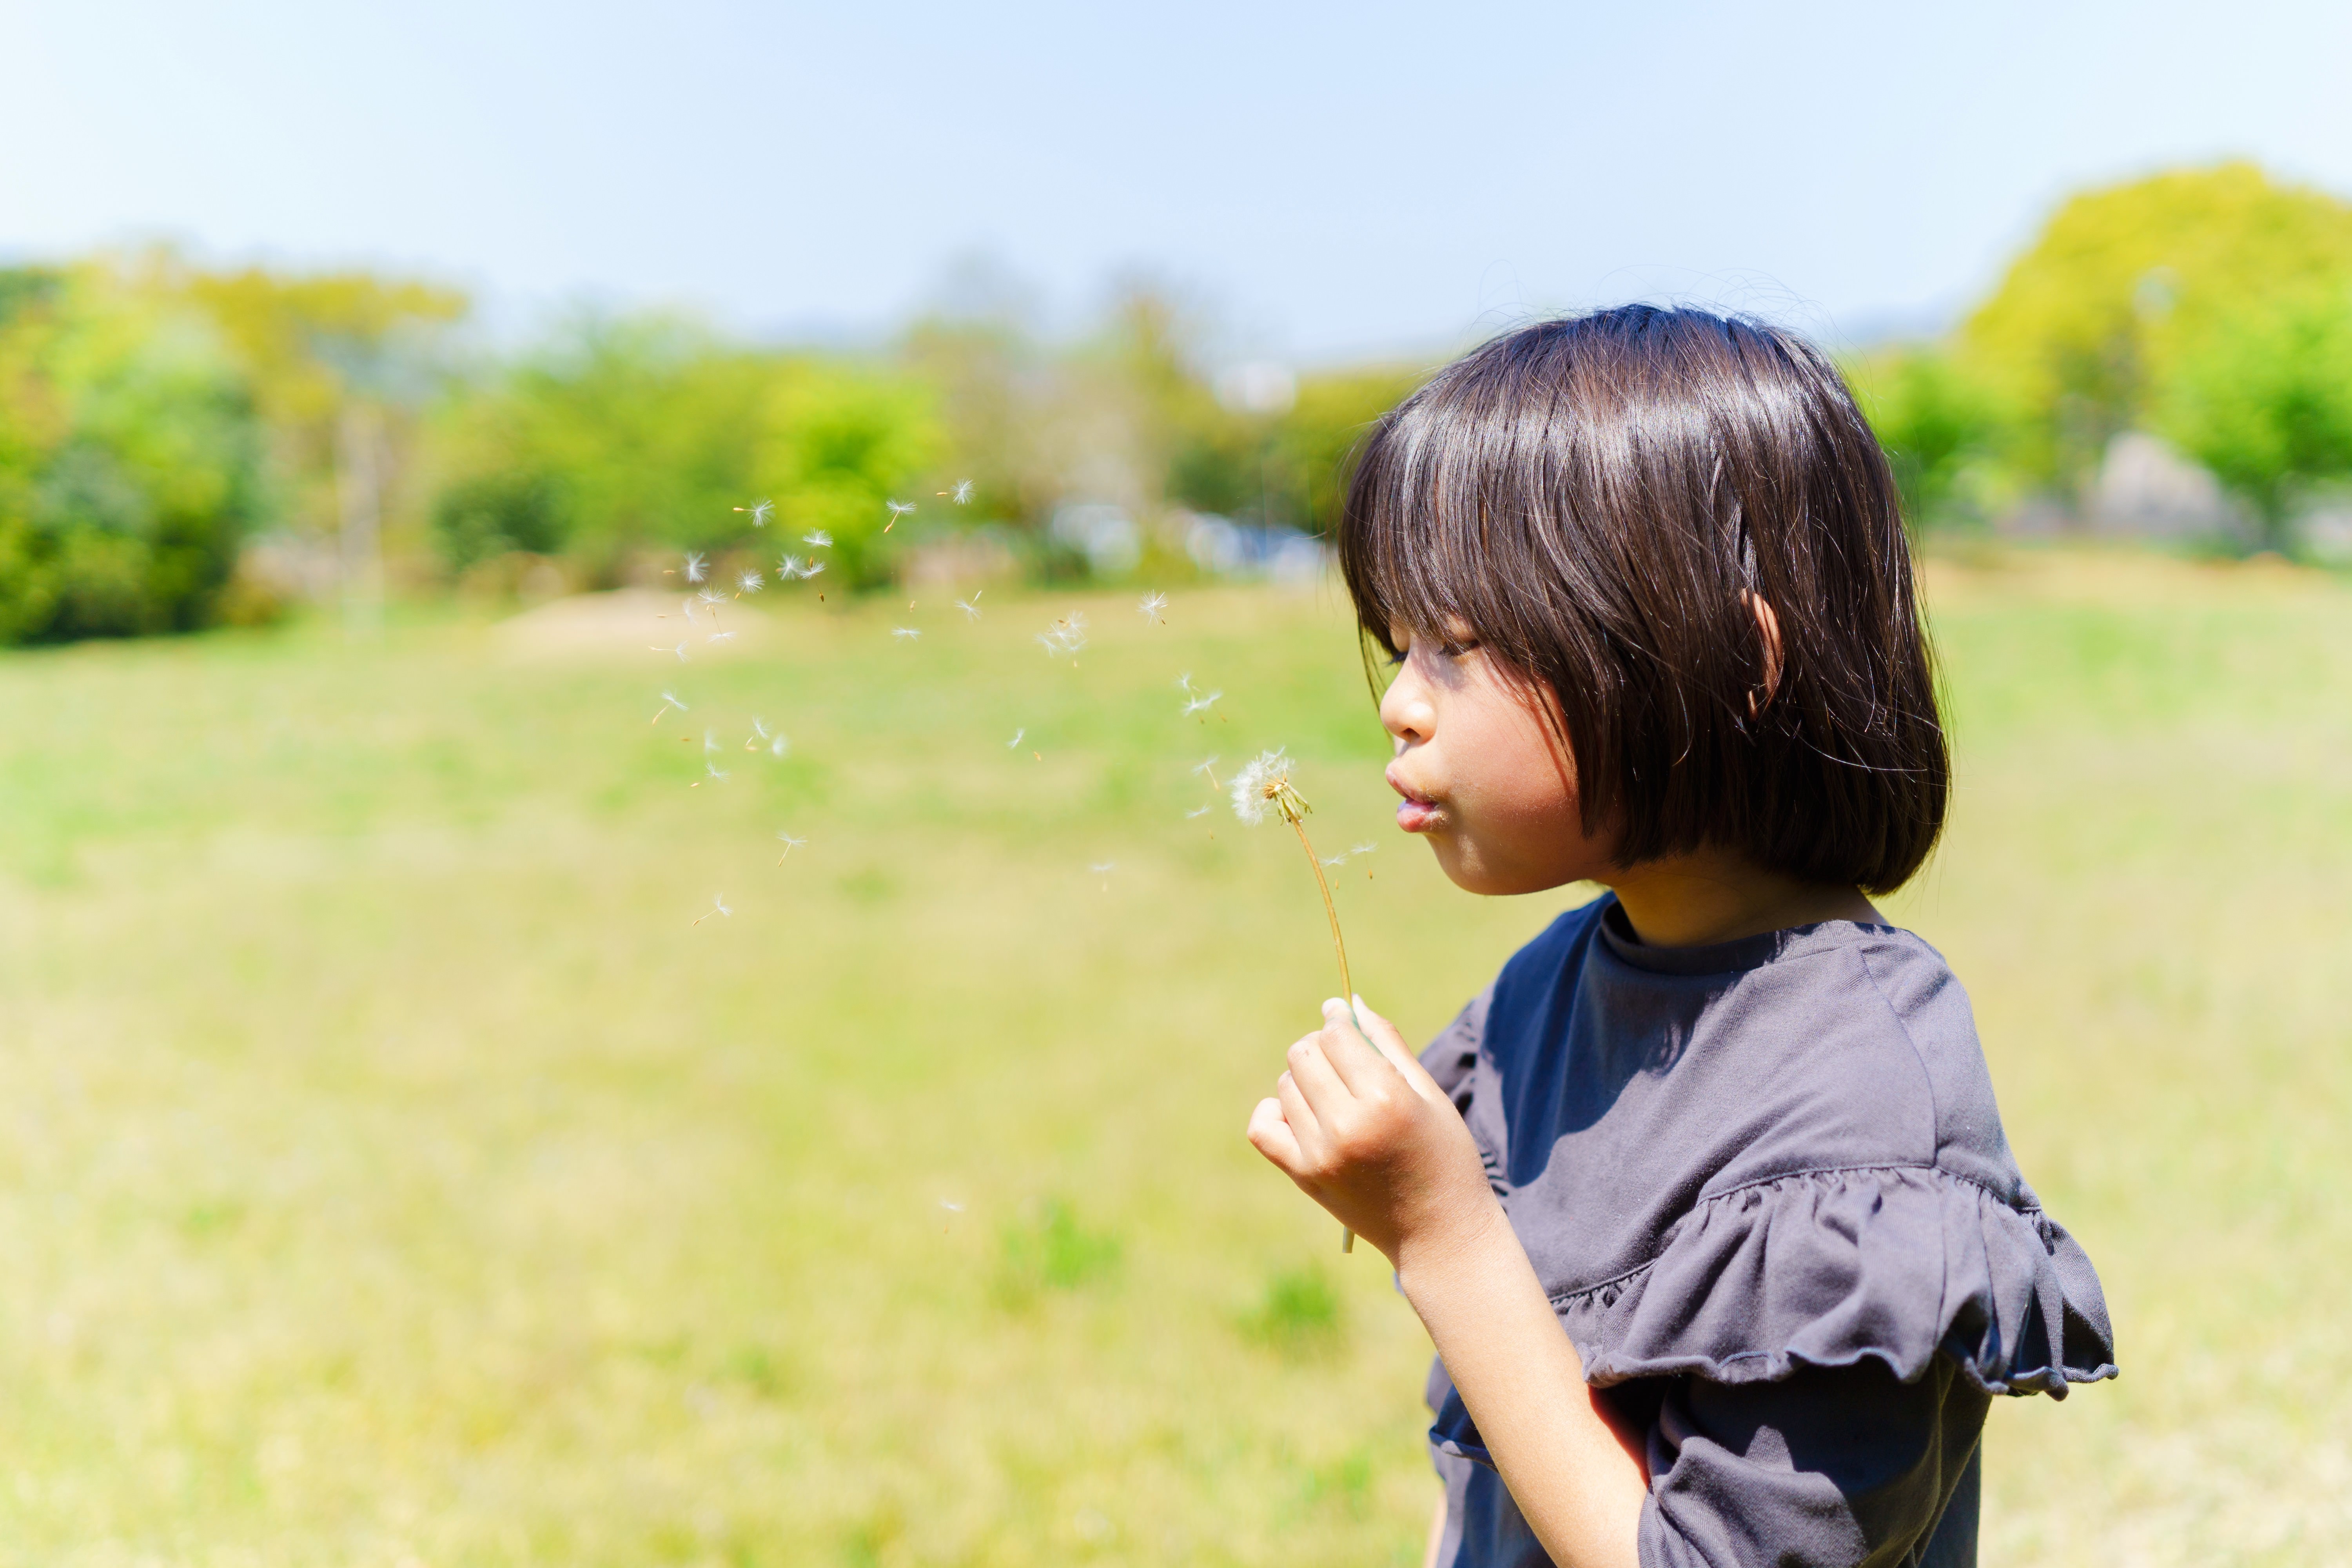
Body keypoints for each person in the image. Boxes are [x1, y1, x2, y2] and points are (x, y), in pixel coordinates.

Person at [1244, 308, 2115, 1568]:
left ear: (1734, 657)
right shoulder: (1539, 998)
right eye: (1399, 644)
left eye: (1459, 645)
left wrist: (1442, 1236)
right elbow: (1486, 1469)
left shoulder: (1860, 1100)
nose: (1400, 703)